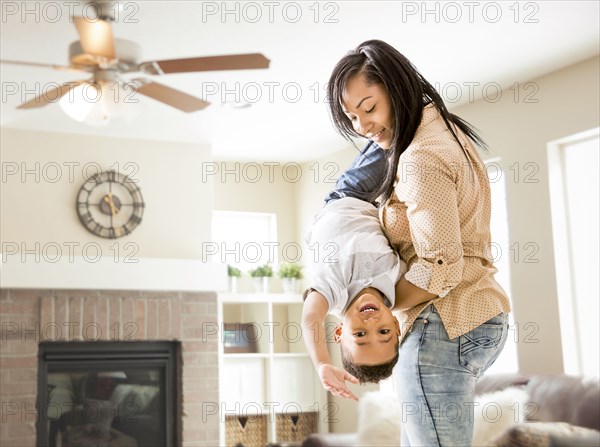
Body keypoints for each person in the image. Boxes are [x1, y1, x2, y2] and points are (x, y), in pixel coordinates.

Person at [325, 39, 512, 446]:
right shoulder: (446, 130)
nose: (362, 127)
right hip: (475, 313)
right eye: (351, 116)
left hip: (444, 321)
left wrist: (375, 309)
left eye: (369, 108)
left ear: (395, 88)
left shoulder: (420, 159)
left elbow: (440, 268)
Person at [301, 140, 407, 400]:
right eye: (383, 332)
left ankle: (404, 109)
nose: (371, 324)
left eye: (359, 335)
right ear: (395, 325)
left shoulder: (335, 293)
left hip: (347, 197)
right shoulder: (395, 286)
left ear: (339, 332)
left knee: (392, 140)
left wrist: (322, 363)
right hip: (378, 207)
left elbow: (311, 319)